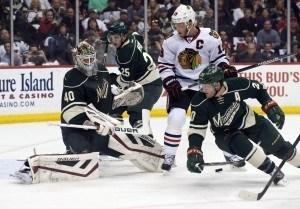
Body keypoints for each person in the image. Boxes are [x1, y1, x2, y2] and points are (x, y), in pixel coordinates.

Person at [13, 41, 164, 184]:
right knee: (87, 165)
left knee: (132, 146)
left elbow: (108, 89)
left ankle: (160, 158)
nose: (90, 63)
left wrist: (118, 91)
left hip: (101, 131)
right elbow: (70, 110)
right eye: (86, 60)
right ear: (77, 60)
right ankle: (33, 167)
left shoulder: (101, 68)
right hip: (77, 131)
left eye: (92, 59)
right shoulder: (72, 77)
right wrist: (92, 123)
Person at [157, 5, 240, 171]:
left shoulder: (211, 37)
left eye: (181, 24)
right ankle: (169, 155)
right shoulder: (170, 42)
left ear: (190, 22)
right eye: (176, 24)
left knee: (219, 118)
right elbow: (164, 65)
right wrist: (170, 81)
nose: (177, 28)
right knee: (177, 117)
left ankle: (229, 151)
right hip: (181, 85)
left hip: (206, 85)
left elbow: (219, 58)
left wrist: (225, 67)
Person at [186, 65, 300, 185]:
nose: (203, 89)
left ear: (217, 84)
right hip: (224, 133)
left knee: (280, 148)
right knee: (241, 144)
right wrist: (194, 149)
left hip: (249, 121)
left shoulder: (237, 85)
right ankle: (272, 170)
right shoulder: (199, 101)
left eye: (206, 86)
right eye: (202, 85)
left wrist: (270, 105)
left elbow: (259, 90)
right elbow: (197, 129)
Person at [106, 22, 162, 131]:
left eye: (116, 37)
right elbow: (138, 35)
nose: (113, 40)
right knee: (114, 107)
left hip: (150, 86)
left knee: (136, 116)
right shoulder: (132, 37)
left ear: (123, 36)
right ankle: (117, 131)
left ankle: (146, 137)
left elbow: (126, 80)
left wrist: (114, 84)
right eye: (111, 37)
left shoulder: (125, 53)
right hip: (140, 84)